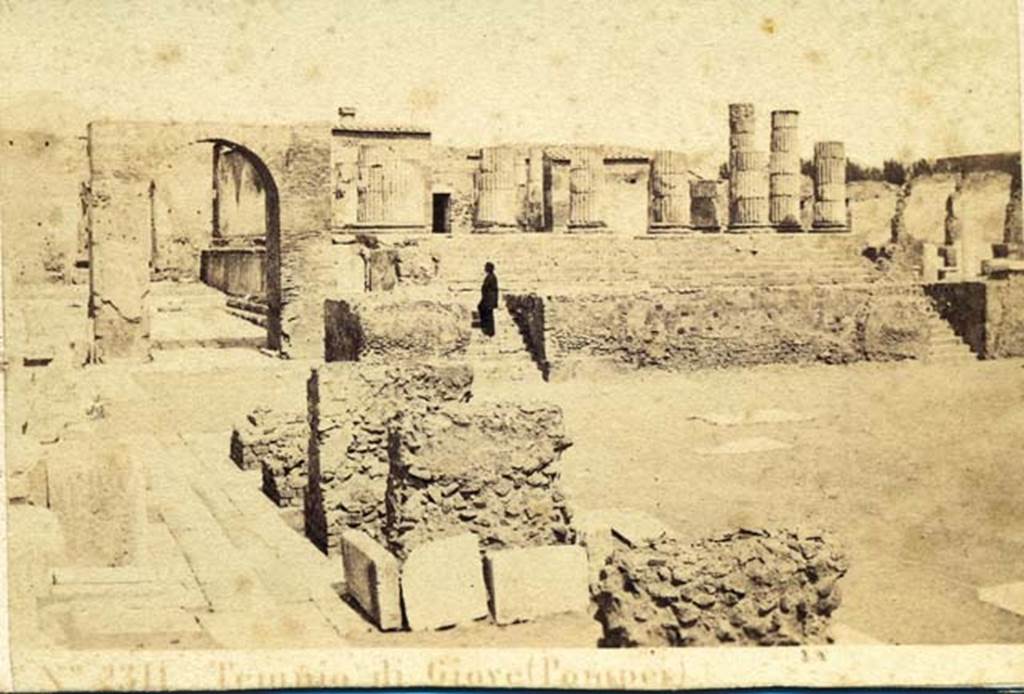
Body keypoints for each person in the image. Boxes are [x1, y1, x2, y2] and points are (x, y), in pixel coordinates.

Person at [478, 261, 499, 337]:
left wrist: (493, 301)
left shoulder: (491, 277)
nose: (485, 268)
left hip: (488, 299)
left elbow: (493, 290)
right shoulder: (490, 277)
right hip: (487, 299)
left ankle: (488, 330)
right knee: (485, 312)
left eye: (486, 267)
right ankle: (487, 329)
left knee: (487, 313)